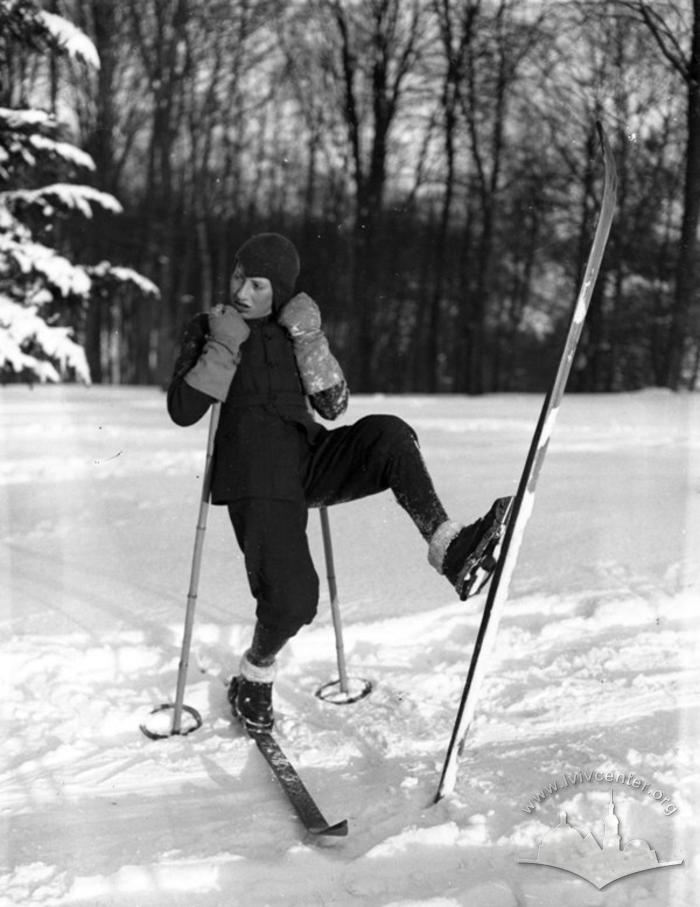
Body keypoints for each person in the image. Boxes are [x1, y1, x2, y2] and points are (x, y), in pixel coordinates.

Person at [167, 233, 511, 732]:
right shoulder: (208, 327)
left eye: (257, 284)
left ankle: (450, 546)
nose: (243, 291)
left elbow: (333, 407)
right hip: (254, 474)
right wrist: (221, 345)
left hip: (309, 458)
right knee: (294, 600)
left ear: (280, 291)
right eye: (239, 276)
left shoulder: (294, 328)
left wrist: (310, 339)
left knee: (390, 435)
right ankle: (254, 674)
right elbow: (182, 411)